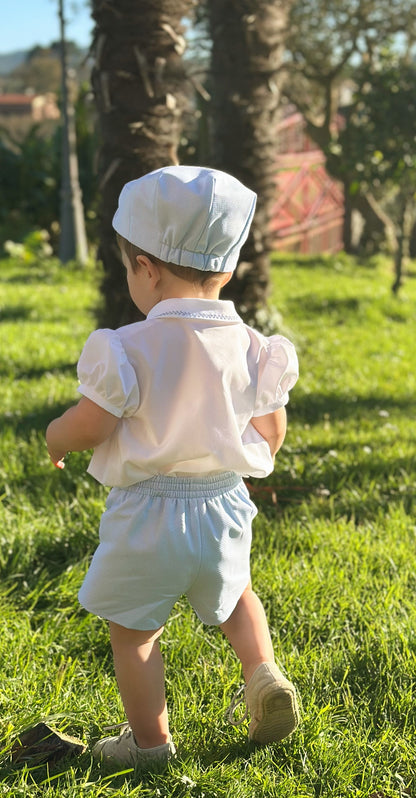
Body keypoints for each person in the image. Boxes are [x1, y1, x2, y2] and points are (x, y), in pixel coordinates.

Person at [46, 165, 300, 771]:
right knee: (237, 594)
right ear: (229, 267)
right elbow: (272, 428)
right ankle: (262, 674)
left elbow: (94, 424)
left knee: (134, 635)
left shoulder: (128, 348)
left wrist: (56, 436)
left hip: (147, 513)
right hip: (223, 503)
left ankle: (150, 746)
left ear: (146, 268)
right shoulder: (252, 346)